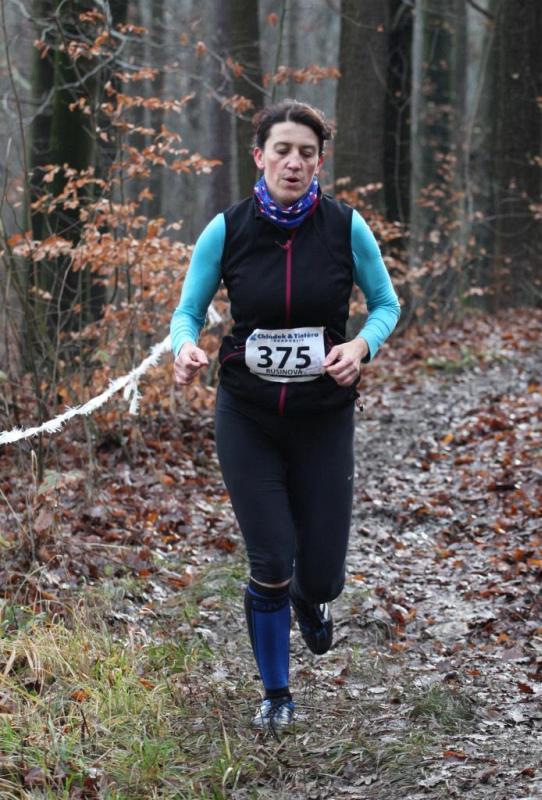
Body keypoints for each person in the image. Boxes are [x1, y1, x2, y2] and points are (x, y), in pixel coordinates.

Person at [171, 99, 400, 732]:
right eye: (282, 150)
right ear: (259, 156)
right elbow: (187, 313)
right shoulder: (227, 229)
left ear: (319, 161)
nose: (293, 162)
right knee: (270, 560)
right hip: (247, 416)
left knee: (322, 575)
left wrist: (360, 346)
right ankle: (276, 694)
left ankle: (311, 597)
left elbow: (386, 304)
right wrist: (184, 348)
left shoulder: (345, 226)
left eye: (306, 152)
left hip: (323, 416)